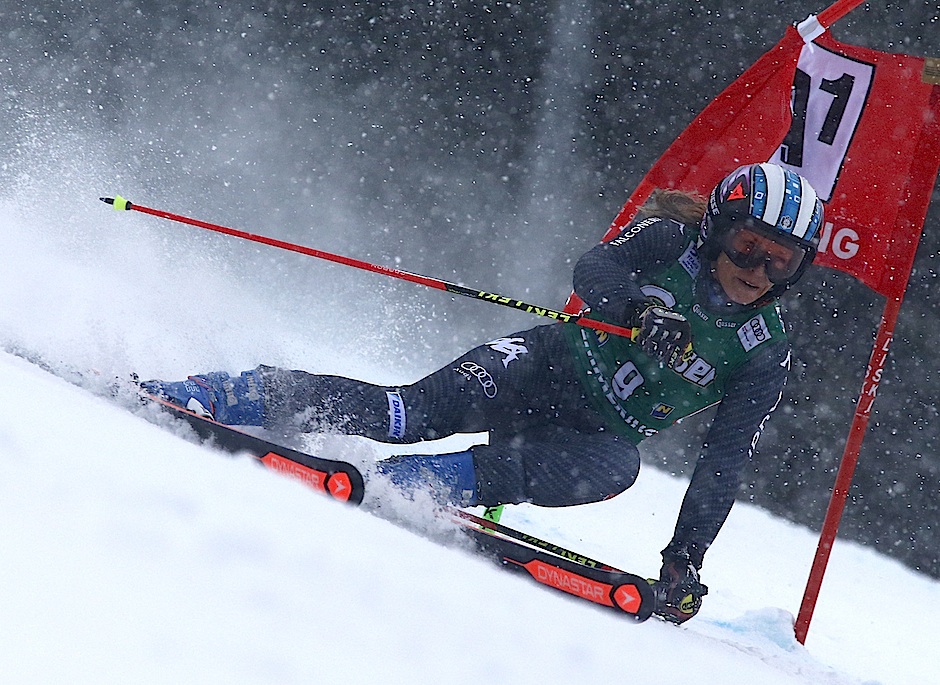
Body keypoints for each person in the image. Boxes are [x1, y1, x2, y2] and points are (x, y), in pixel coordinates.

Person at [143, 162, 823, 624]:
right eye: (747, 246)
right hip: (540, 366)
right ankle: (225, 393)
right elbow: (595, 264)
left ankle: (406, 483)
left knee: (621, 466)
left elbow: (723, 461)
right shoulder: (670, 240)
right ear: (717, 232)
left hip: (588, 435)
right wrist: (639, 312)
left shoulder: (767, 350)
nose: (757, 269)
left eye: (780, 259)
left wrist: (684, 561)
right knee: (402, 411)